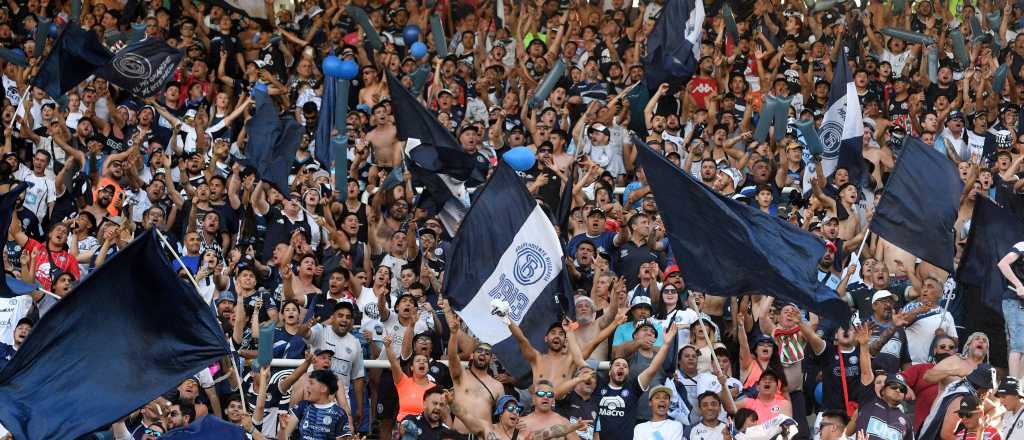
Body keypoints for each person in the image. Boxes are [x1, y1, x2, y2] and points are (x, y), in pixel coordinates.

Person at [282, 369, 354, 440]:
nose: (307, 386)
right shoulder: (302, 406)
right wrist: (283, 429)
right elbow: (285, 434)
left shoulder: (339, 413)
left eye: (311, 383)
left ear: (323, 389)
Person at [997, 242, 1024, 379]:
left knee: (1020, 345)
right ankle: (1014, 385)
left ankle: (1020, 384)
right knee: (1018, 344)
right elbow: (1003, 264)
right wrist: (1018, 285)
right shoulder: (1022, 246)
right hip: (1014, 299)